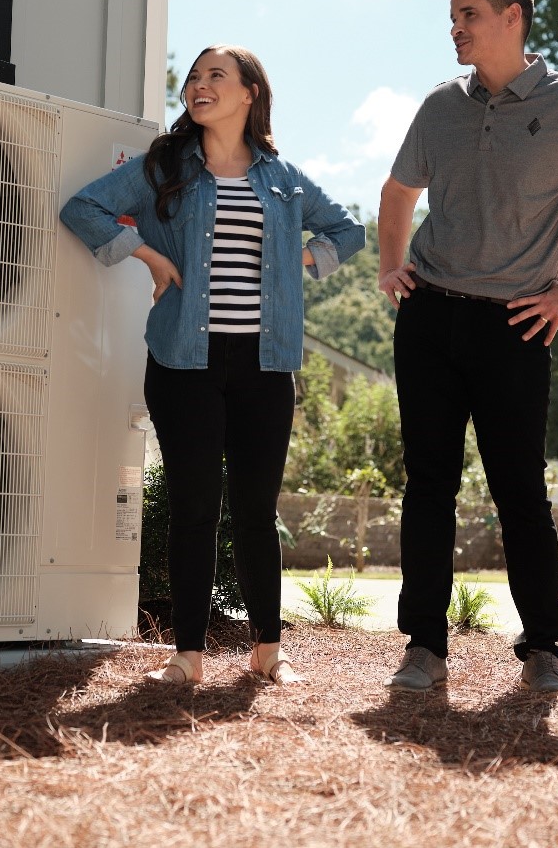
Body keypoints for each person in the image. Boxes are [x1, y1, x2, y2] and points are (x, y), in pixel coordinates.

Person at [377, 0, 558, 694]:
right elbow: (397, 190)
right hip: (429, 315)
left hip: (515, 324)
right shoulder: (440, 106)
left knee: (519, 491)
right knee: (427, 486)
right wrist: (390, 266)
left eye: (468, 14)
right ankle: (423, 647)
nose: (455, 27)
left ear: (513, 18)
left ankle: (541, 648)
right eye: (452, 16)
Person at [61, 46, 365, 685]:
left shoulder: (283, 180)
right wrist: (147, 254)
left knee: (256, 510)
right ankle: (188, 656)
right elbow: (83, 209)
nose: (198, 85)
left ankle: (268, 653)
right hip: (183, 362)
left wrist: (297, 259)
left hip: (265, 365)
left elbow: (348, 231)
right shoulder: (165, 168)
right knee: (194, 507)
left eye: (214, 76)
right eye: (194, 78)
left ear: (250, 92)